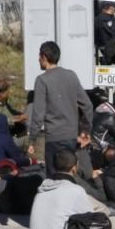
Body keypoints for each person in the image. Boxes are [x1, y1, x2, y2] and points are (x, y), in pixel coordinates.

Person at [28, 41, 94, 177]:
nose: (38, 59)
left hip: (54, 138)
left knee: (54, 177)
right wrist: (85, 131)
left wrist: (32, 139)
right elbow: (87, 105)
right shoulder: (71, 75)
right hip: (72, 138)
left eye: (39, 56)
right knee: (69, 175)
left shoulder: (42, 80)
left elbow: (38, 113)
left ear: (44, 57)